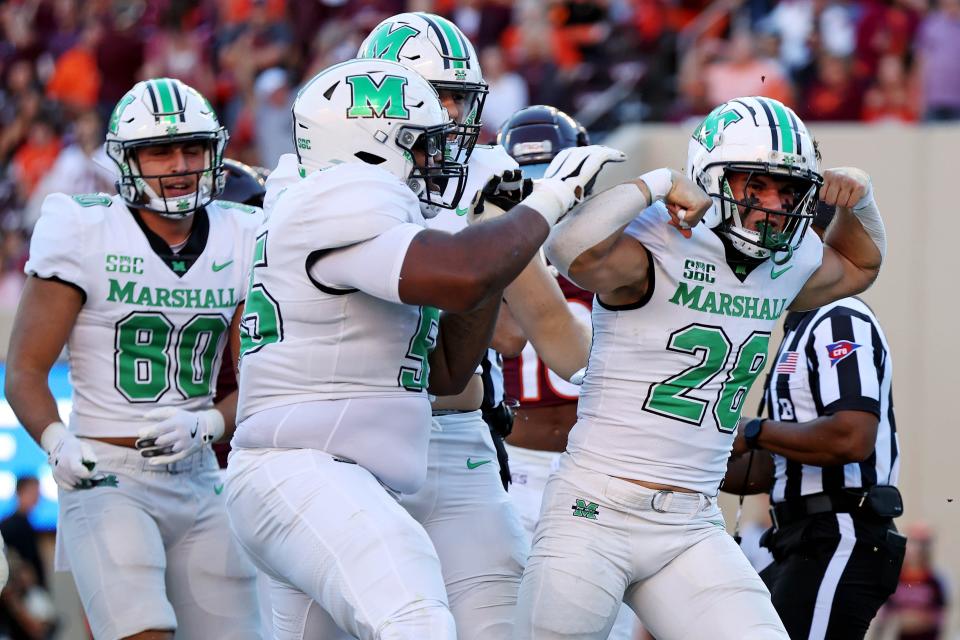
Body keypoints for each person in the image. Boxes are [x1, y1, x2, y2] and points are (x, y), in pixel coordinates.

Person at [223, 56, 624, 640]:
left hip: (373, 458)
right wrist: (546, 203)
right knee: (415, 620)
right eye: (422, 130)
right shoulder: (336, 196)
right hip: (306, 460)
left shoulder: (364, 195)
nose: (445, 136)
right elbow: (462, 275)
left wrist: (486, 229)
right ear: (367, 136)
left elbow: (446, 371)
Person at [516, 95, 888, 639]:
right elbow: (570, 248)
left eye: (787, 189)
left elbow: (861, 264)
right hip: (593, 510)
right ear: (710, 180)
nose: (772, 205)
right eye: (753, 185)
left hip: (691, 524)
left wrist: (862, 202)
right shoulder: (662, 237)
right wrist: (657, 181)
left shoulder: (788, 261)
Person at [5, 77, 262, 640]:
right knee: (141, 633)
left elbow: (264, 378)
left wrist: (212, 421)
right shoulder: (83, 226)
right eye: (159, 150)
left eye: (192, 148)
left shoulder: (243, 232)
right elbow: (24, 370)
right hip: (106, 475)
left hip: (200, 476)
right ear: (127, 161)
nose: (179, 163)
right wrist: (55, 439)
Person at [726, 201, 903, 639]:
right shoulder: (797, 327)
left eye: (786, 235)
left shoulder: (840, 315)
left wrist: (753, 430)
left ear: (817, 243)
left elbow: (850, 437)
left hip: (840, 530)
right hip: (797, 537)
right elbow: (772, 467)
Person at [498, 104, 639, 640]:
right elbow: (507, 337)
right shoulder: (497, 244)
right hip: (517, 466)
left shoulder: (617, 247)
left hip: (595, 462)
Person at [876, 523, 949, 640]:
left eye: (924, 544)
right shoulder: (894, 578)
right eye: (914, 543)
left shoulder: (936, 580)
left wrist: (914, 620)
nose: (918, 549)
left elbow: (940, 618)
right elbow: (884, 616)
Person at [0, 477, 43, 589]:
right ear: (20, 493)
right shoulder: (10, 526)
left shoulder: (27, 524)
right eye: (33, 492)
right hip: (18, 592)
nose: (37, 497)